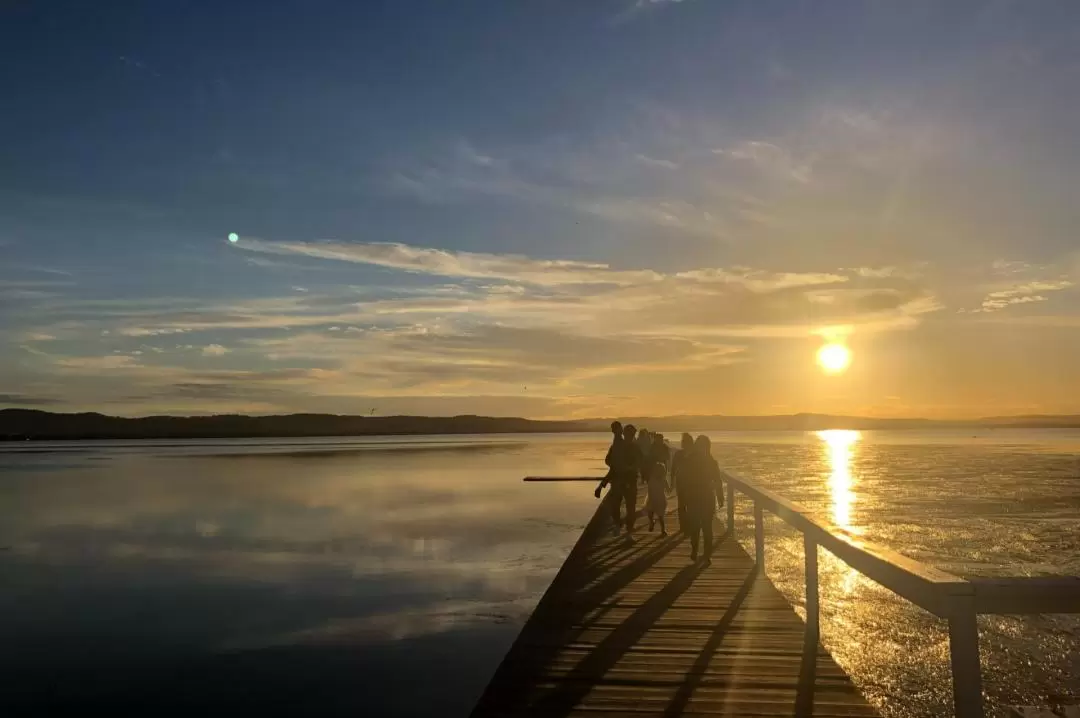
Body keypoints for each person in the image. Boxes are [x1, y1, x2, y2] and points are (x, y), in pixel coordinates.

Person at [681, 435, 725, 562]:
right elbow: (717, 480)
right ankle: (701, 552)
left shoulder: (691, 460)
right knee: (702, 527)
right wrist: (719, 496)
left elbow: (717, 480)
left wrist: (720, 495)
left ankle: (702, 553)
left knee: (702, 526)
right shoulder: (710, 462)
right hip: (701, 497)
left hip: (699, 497)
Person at [669, 433, 694, 531]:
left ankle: (685, 526)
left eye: (684, 441)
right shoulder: (680, 454)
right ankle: (684, 526)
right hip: (684, 483)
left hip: (690, 484)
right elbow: (673, 469)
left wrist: (671, 483)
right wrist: (672, 482)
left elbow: (673, 470)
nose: (683, 443)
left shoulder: (691, 455)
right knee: (684, 505)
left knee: (686, 505)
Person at [645, 458, 669, 536]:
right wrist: (650, 499)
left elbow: (668, 489)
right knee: (650, 514)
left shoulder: (663, 480)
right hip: (652, 498)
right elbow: (649, 490)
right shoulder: (652, 479)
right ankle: (652, 522)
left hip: (661, 499)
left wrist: (670, 487)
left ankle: (663, 530)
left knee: (661, 516)